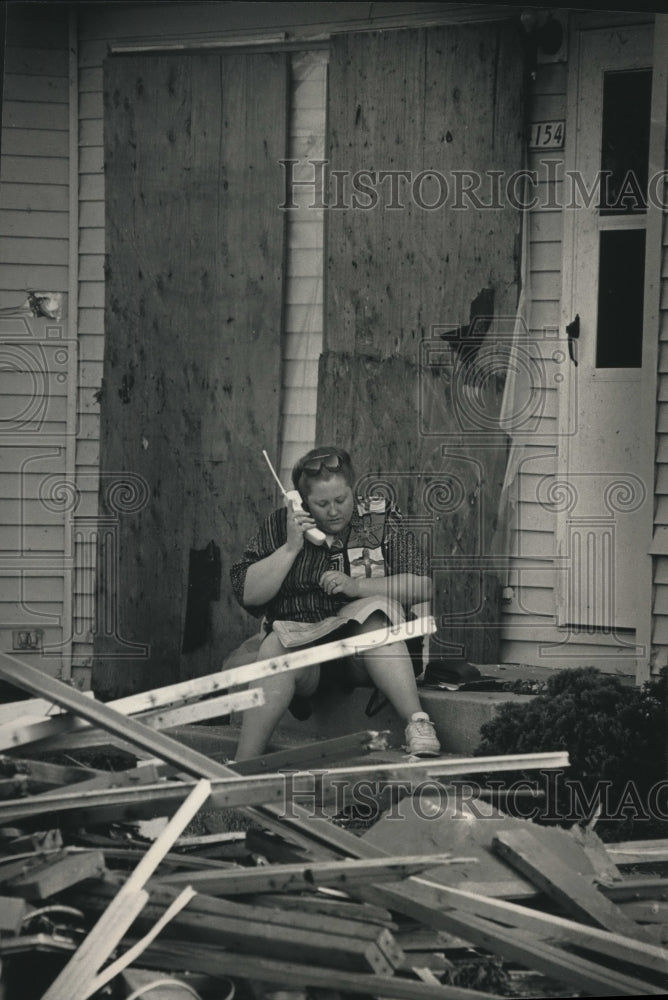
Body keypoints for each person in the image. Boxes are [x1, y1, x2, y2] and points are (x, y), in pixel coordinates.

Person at [230, 446, 441, 760]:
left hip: (366, 656)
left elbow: (423, 585)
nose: (333, 511)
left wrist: (358, 587)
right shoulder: (281, 526)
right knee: (275, 646)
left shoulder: (378, 520)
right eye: (321, 503)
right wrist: (290, 549)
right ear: (302, 502)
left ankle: (418, 723)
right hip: (308, 656)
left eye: (341, 500)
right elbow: (247, 592)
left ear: (352, 491)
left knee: (373, 619)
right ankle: (243, 767)